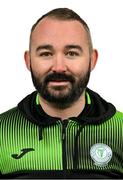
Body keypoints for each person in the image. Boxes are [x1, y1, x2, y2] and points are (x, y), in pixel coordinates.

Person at [0, 7, 123, 179]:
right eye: (46, 53)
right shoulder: (3, 131)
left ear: (92, 60)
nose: (58, 66)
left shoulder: (120, 130)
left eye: (71, 53)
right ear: (28, 61)